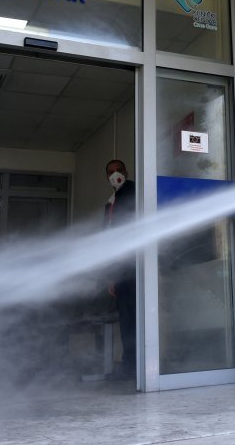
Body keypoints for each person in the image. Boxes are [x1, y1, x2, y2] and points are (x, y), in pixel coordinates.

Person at [104, 158, 137, 381]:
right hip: (121, 268)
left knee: (135, 315)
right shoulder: (110, 202)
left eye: (119, 170)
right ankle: (130, 363)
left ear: (126, 172)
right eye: (111, 172)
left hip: (136, 263)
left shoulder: (134, 192)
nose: (116, 174)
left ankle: (136, 364)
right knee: (126, 318)